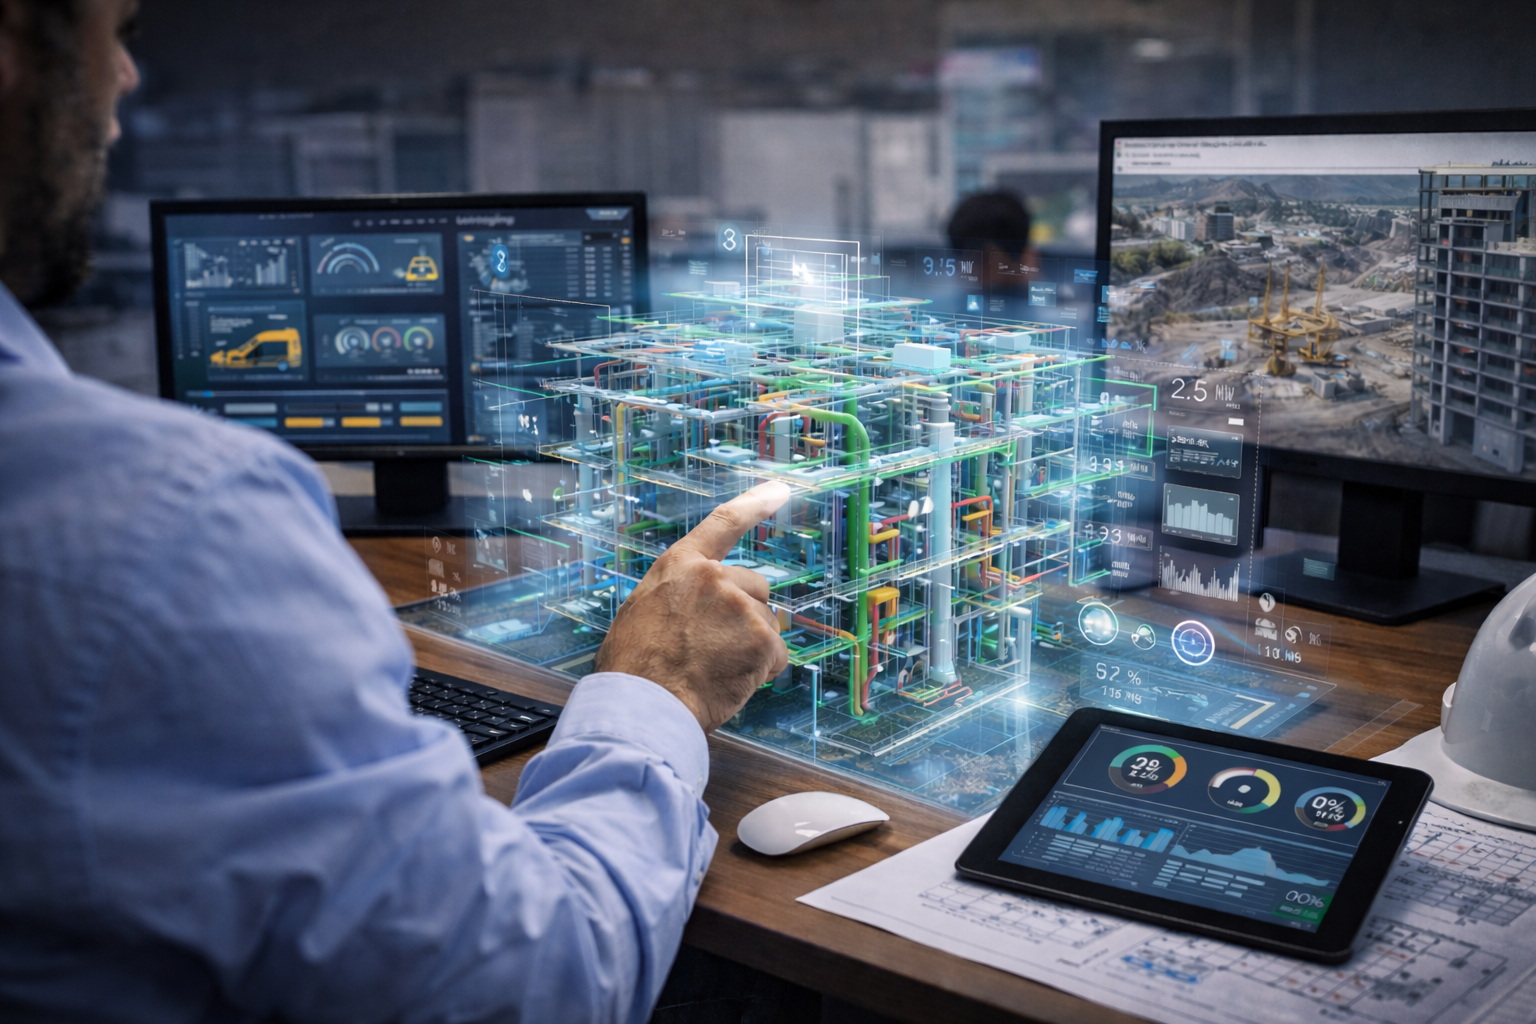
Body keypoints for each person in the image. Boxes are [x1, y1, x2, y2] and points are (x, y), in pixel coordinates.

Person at [0, 2, 791, 1020]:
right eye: (112, 28)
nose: (124, 78)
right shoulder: (166, 521)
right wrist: (660, 688)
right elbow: (538, 987)